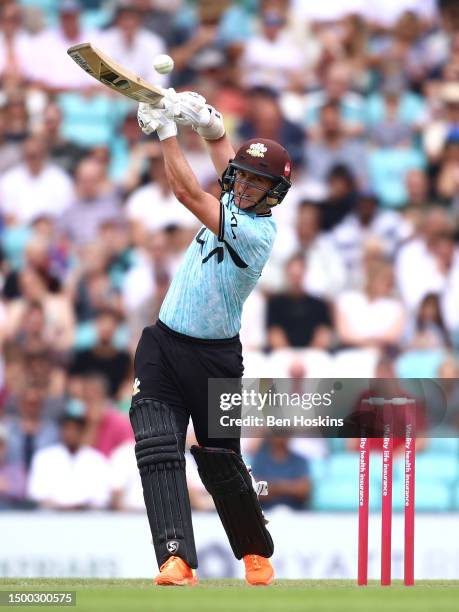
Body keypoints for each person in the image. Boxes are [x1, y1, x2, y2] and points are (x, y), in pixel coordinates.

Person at [130, 90, 293, 586]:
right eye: (242, 177)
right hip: (163, 343)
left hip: (215, 358)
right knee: (157, 446)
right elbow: (227, 162)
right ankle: (174, 559)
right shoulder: (237, 195)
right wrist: (210, 125)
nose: (244, 187)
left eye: (257, 183)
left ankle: (254, 552)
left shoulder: (257, 234)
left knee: (220, 460)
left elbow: (184, 192)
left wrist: (165, 131)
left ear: (274, 195)